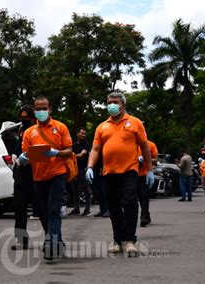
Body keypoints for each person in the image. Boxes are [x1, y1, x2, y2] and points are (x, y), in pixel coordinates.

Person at [86, 92, 154, 257]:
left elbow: (145, 147)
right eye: (109, 102)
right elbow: (95, 149)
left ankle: (130, 240)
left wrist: (150, 169)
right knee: (114, 206)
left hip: (130, 170)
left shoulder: (135, 122)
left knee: (130, 201)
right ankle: (118, 240)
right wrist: (90, 166)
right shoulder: (102, 126)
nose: (111, 105)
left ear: (123, 105)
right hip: (109, 172)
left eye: (115, 102)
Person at [19, 96, 73, 260]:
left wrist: (57, 153)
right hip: (39, 177)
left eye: (44, 108)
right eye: (37, 108)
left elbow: (69, 151)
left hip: (58, 173)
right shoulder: (29, 132)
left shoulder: (60, 127)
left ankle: (50, 242)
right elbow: (27, 154)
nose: (41, 111)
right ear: (34, 110)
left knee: (53, 210)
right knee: (44, 213)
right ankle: (59, 242)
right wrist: (23, 158)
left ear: (50, 109)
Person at [10, 105, 39, 250]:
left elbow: (41, 150)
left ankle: (53, 238)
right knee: (19, 207)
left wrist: (27, 157)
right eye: (22, 118)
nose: (24, 120)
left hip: (37, 174)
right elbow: (18, 146)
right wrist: (15, 155)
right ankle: (22, 239)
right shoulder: (22, 130)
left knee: (43, 209)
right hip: (21, 174)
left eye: (27, 118)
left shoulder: (38, 130)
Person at [68, 127, 92, 216]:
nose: (83, 135)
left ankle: (87, 209)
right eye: (82, 133)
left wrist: (73, 156)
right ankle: (76, 208)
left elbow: (82, 154)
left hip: (84, 169)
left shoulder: (86, 144)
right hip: (75, 170)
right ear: (77, 134)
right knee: (75, 189)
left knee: (86, 189)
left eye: (84, 134)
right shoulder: (73, 145)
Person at [137, 139, 158, 226]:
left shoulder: (151, 145)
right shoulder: (132, 144)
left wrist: (145, 159)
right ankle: (147, 215)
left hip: (145, 174)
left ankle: (144, 217)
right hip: (133, 174)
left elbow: (155, 160)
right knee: (138, 197)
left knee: (144, 196)